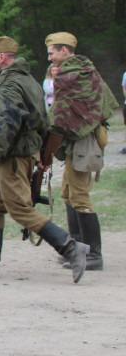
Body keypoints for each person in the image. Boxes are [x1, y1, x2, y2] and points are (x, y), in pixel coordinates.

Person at [0, 36, 89, 283]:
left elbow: (7, 123)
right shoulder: (27, 80)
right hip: (19, 153)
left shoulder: (10, 85)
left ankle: (72, 249)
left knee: (20, 209)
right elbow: (42, 118)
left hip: (13, 155)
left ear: (1, 57)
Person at [46, 32, 118, 272]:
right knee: (67, 193)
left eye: (52, 52)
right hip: (76, 141)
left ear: (65, 51)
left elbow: (62, 112)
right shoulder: (87, 70)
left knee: (79, 196)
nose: (50, 58)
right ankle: (77, 248)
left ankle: (93, 254)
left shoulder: (71, 74)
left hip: (83, 141)